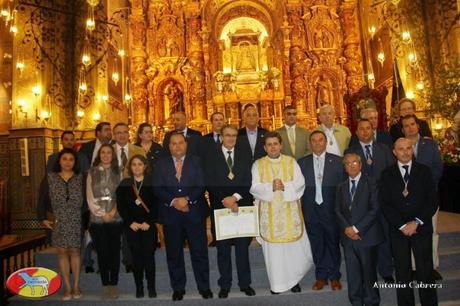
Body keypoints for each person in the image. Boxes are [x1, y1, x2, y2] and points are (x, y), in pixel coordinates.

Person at [250, 131, 313, 294]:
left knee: (291, 248)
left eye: (275, 144)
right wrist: (271, 186)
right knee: (274, 253)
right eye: (269, 144)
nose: (273, 147)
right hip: (269, 216)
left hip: (289, 214)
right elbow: (254, 187)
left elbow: (300, 183)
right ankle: (277, 284)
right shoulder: (258, 165)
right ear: (265, 147)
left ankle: (293, 281)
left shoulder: (291, 162)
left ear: (281, 145)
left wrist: (284, 186)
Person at [153, 132, 212, 301]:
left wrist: (186, 200)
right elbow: (157, 188)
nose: (177, 146)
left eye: (180, 143)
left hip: (194, 214)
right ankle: (178, 288)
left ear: (186, 144)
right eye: (173, 143)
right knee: (174, 253)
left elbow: (201, 184)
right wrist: (174, 201)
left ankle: (204, 287)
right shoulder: (161, 164)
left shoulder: (197, 161)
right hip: (171, 215)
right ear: (169, 146)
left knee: (199, 252)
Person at [380, 138, 438, 306]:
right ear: (394, 152)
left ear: (412, 149)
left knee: (425, 271)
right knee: (402, 272)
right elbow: (385, 204)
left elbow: (432, 200)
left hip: (421, 227)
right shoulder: (387, 174)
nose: (405, 152)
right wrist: (402, 225)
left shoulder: (424, 171)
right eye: (400, 149)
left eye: (408, 148)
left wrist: (416, 222)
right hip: (398, 230)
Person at [204, 124, 255, 299]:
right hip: (221, 207)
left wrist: (235, 197)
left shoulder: (245, 154)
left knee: (242, 249)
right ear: (221, 136)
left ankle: (245, 284)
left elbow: (249, 179)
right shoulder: (211, 156)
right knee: (223, 250)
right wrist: (225, 199)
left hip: (241, 206)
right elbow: (208, 181)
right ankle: (225, 284)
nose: (231, 138)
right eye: (227, 135)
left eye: (234, 135)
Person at [345, 119, 395, 283]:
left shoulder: (384, 149)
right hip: (362, 204)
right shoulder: (351, 152)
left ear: (373, 131)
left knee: (384, 236)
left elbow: (391, 175)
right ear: (356, 132)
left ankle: (386, 270)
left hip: (383, 202)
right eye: (361, 129)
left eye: (368, 128)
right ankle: (367, 271)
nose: (365, 132)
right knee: (365, 237)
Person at [298, 130, 344, 291]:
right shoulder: (301, 163)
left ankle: (335, 277)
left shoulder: (338, 162)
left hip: (331, 211)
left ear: (326, 142)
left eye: (320, 140)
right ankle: (321, 277)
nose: (317, 143)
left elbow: (342, 189)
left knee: (332, 243)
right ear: (310, 144)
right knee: (317, 245)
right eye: (314, 141)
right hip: (311, 210)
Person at [335, 153, 383, 306]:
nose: (351, 166)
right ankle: (355, 302)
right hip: (348, 238)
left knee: (369, 275)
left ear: (361, 165)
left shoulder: (372, 182)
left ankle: (372, 302)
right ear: (345, 168)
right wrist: (348, 229)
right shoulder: (341, 186)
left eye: (354, 162)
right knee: (353, 275)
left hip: (367, 237)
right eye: (347, 164)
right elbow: (337, 210)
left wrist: (356, 229)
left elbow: (375, 209)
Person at [38, 148, 84, 300]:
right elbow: (41, 200)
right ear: (59, 161)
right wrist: (42, 218)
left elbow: (87, 201)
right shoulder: (50, 178)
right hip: (58, 220)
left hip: (76, 220)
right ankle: (67, 287)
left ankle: (76, 285)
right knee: (62, 253)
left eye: (71, 159)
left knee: (75, 252)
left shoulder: (80, 177)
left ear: (75, 162)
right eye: (65, 159)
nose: (68, 162)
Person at [401, 114, 443, 280]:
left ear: (418, 126)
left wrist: (424, 191)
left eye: (412, 124)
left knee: (431, 233)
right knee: (410, 233)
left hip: (428, 199)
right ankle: (412, 267)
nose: (410, 128)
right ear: (402, 129)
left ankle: (431, 266)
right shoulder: (400, 145)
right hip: (407, 200)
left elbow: (437, 169)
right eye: (406, 126)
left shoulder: (429, 144)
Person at [116, 155, 158, 299]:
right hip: (132, 226)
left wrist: (149, 221)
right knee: (136, 258)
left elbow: (157, 205)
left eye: (140, 164)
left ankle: (151, 288)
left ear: (145, 166)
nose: (137, 167)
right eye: (134, 164)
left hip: (148, 226)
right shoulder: (124, 184)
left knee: (149, 257)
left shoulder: (152, 182)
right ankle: (139, 288)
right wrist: (130, 222)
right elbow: (121, 206)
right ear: (130, 167)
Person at [86, 144, 123, 299]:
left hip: (115, 217)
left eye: (109, 152)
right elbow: (89, 196)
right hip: (97, 218)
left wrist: (113, 212)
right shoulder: (91, 172)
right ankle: (105, 285)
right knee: (102, 253)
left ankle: (114, 285)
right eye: (103, 152)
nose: (106, 155)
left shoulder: (119, 172)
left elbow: (122, 194)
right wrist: (101, 214)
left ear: (113, 155)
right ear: (99, 154)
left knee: (114, 252)